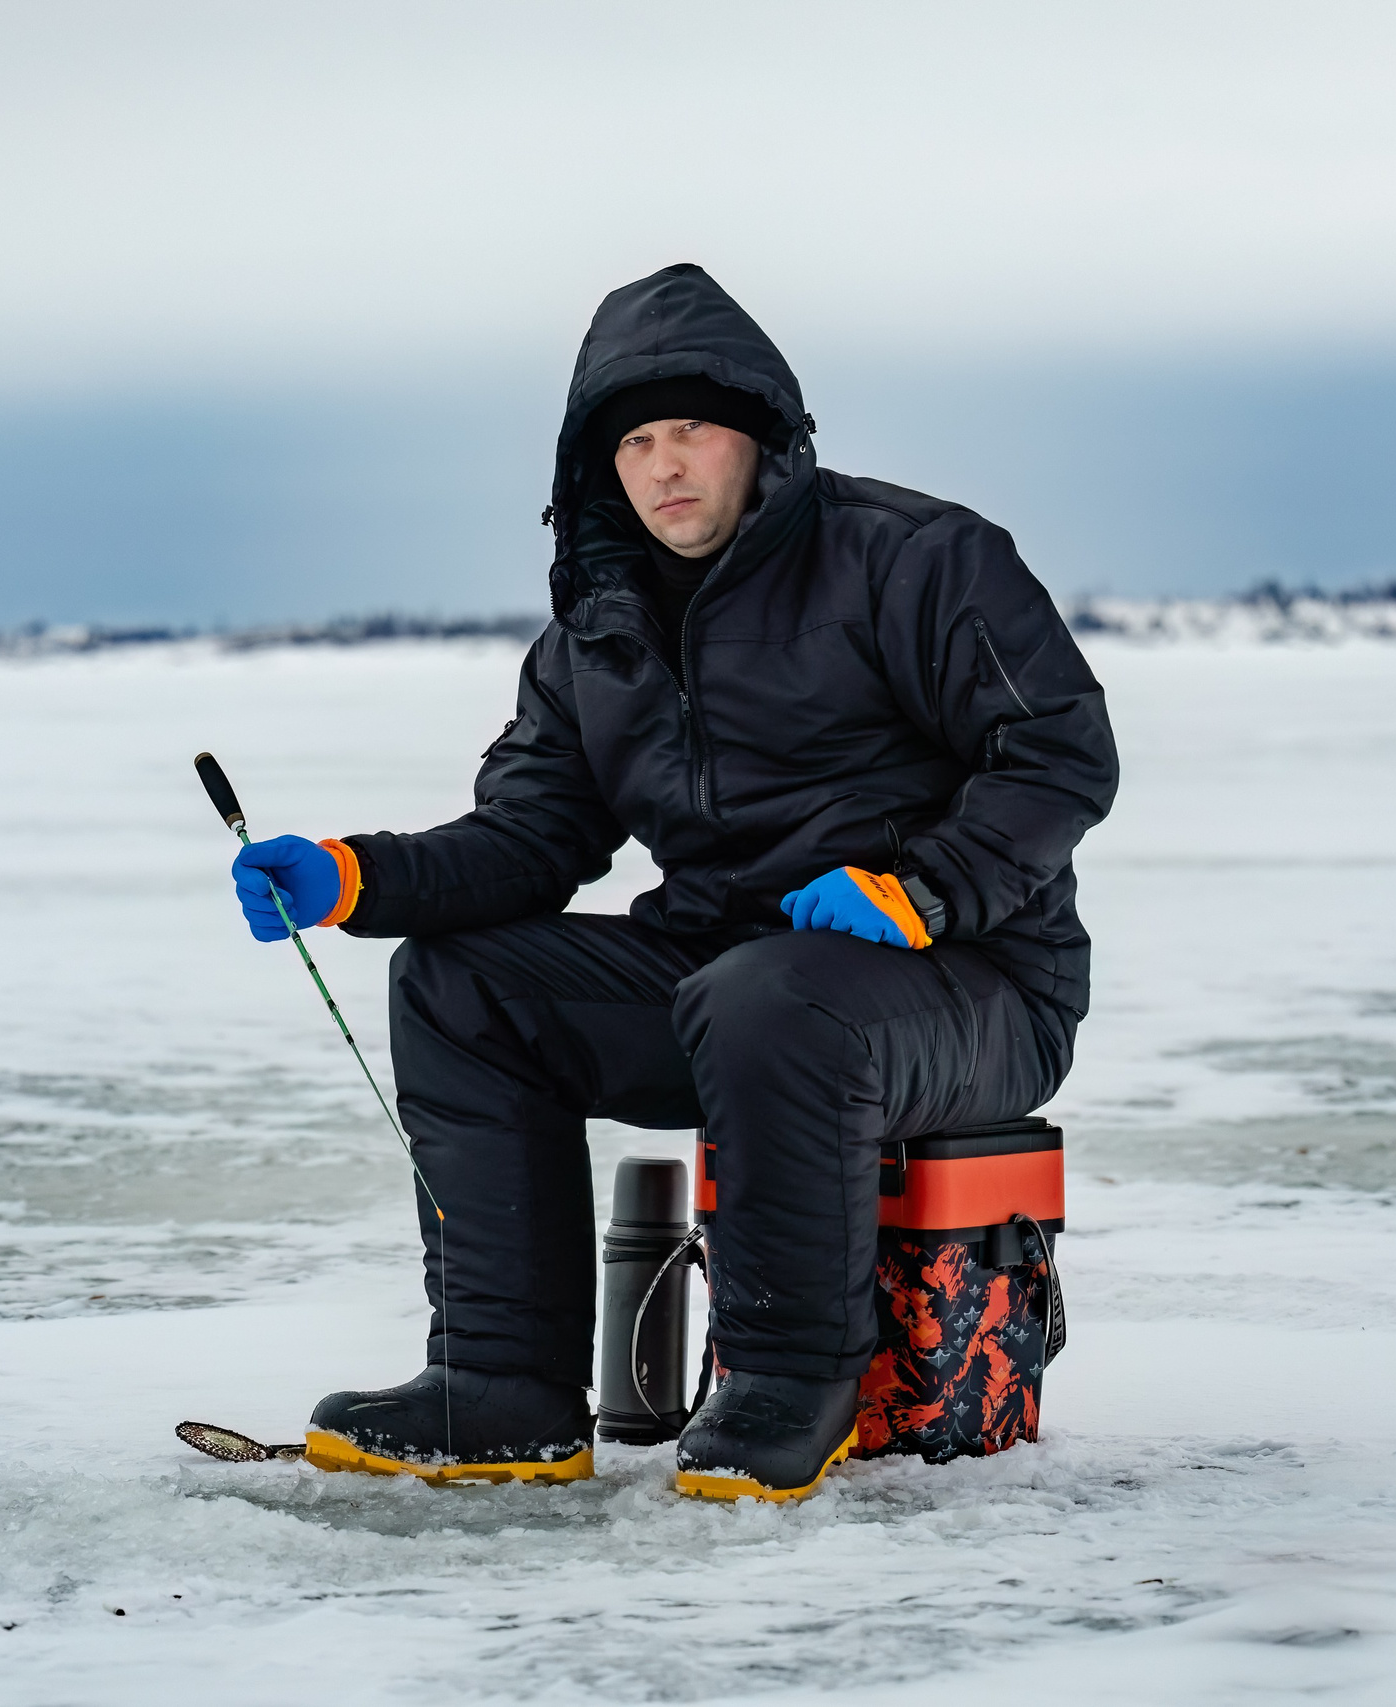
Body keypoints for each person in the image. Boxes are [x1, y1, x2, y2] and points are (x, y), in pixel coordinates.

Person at [225, 264, 1118, 1503]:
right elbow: (531, 835)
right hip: (727, 980)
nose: (663, 466)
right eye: (634, 443)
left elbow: (1057, 754)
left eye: (690, 428)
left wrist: (920, 890)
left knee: (769, 1000)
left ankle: (788, 1384)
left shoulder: (914, 558)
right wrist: (353, 877)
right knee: (460, 984)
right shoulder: (601, 629)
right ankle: (500, 1390)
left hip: (973, 982)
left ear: (760, 435)